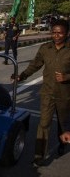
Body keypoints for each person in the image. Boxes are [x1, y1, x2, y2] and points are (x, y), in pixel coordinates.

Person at [11, 19, 70, 166]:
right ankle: (39, 156)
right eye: (54, 32)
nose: (56, 36)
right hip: (47, 93)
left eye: (60, 33)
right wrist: (21, 76)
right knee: (44, 124)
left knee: (63, 124)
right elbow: (35, 65)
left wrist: (67, 77)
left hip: (65, 95)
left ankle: (62, 143)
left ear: (67, 33)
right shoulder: (45, 48)